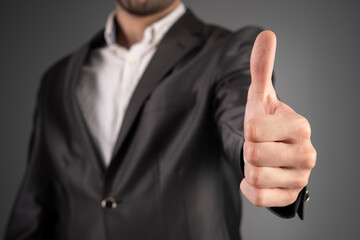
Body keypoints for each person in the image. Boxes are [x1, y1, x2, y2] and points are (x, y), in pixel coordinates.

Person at [4, 0, 316, 239]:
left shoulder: (226, 51)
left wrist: (267, 154)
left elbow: (241, 122)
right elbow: (34, 207)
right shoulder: (58, 80)